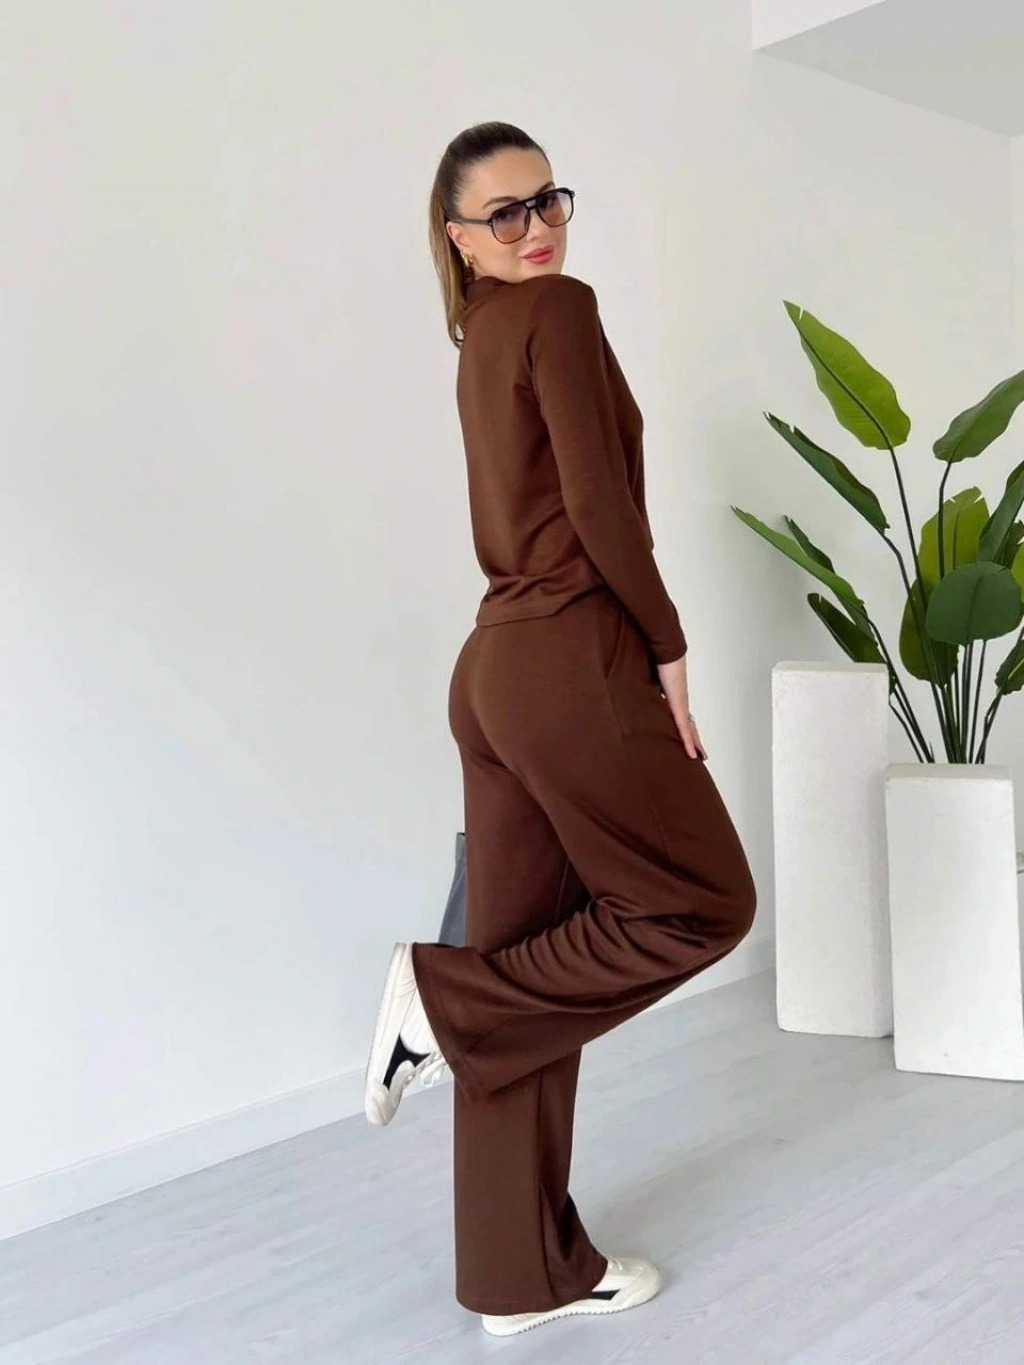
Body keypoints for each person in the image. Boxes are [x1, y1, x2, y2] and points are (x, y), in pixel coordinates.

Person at [364, 121, 756, 1338]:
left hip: (494, 669)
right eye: (505, 214)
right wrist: (668, 645)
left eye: (549, 202)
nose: (536, 229)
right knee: (703, 904)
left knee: (520, 974)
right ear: (458, 239)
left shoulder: (483, 336)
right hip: (569, 659)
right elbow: (595, 502)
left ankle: (517, 1281)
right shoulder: (557, 311)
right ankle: (440, 1000)